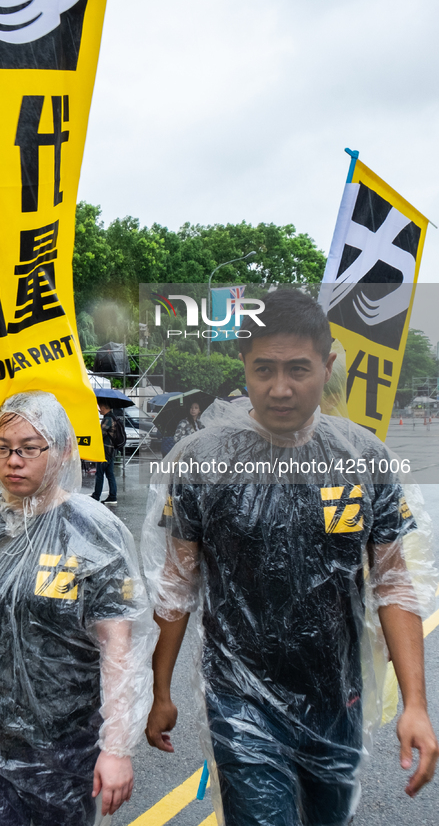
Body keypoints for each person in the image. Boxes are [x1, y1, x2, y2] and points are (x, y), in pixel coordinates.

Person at [143, 290, 438, 826]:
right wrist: (160, 689)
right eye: (264, 369)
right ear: (244, 366)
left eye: (299, 369)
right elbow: (176, 585)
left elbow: (394, 584)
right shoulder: (203, 460)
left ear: (326, 366)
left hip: (337, 698)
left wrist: (415, 703)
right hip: (240, 701)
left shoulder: (363, 458)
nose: (280, 388)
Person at [0, 391, 156, 826]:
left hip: (65, 742)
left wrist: (117, 748)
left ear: (61, 451)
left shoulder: (95, 533)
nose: (12, 461)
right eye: (1, 448)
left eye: (28, 448)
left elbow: (120, 648)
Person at [92, 400, 118, 505]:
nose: (99, 409)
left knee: (99, 474)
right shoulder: (114, 418)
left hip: (105, 451)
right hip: (112, 451)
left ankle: (96, 496)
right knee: (110, 474)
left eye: (100, 407)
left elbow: (100, 434)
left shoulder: (107, 419)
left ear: (105, 407)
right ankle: (112, 496)